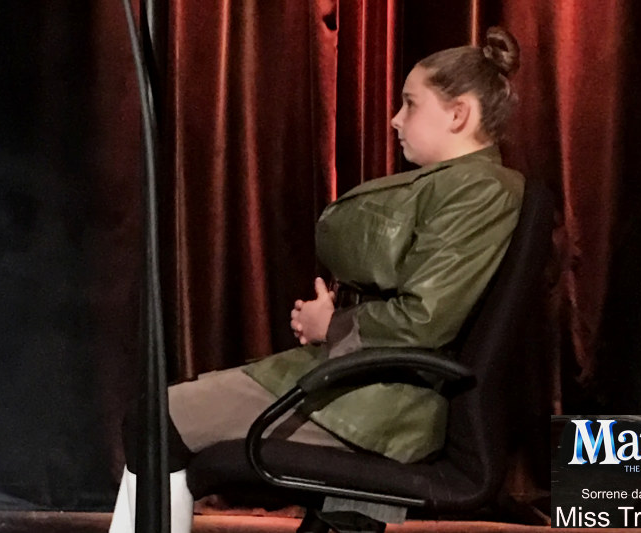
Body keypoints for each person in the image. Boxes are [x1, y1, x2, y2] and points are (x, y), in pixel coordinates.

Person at [109, 26, 525, 533]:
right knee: (158, 423)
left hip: (376, 402)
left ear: (458, 114)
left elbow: (426, 319)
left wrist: (332, 324)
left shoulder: (480, 190)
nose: (396, 119)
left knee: (156, 422)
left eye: (411, 104)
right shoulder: (459, 185)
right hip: (360, 382)